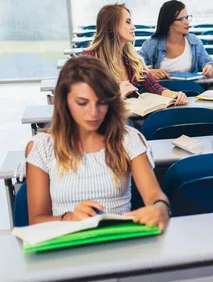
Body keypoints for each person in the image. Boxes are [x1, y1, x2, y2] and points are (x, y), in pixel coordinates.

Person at [20, 55, 170, 229]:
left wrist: (160, 208)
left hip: (119, 244)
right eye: (82, 103)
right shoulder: (42, 146)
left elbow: (154, 195)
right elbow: (36, 221)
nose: (93, 113)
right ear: (64, 102)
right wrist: (70, 218)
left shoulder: (128, 139)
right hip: (66, 247)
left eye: (102, 103)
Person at [81, 3, 187, 106]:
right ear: (113, 26)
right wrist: (116, 96)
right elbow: (86, 101)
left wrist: (175, 95)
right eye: (128, 22)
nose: (133, 27)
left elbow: (154, 87)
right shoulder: (89, 60)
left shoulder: (131, 58)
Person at [139, 0, 213, 80]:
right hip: (160, 91)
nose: (187, 22)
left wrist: (210, 67)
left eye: (187, 18)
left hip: (188, 90)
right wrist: (149, 71)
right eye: (182, 19)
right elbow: (135, 67)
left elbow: (209, 62)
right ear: (169, 23)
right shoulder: (151, 44)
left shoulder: (194, 42)